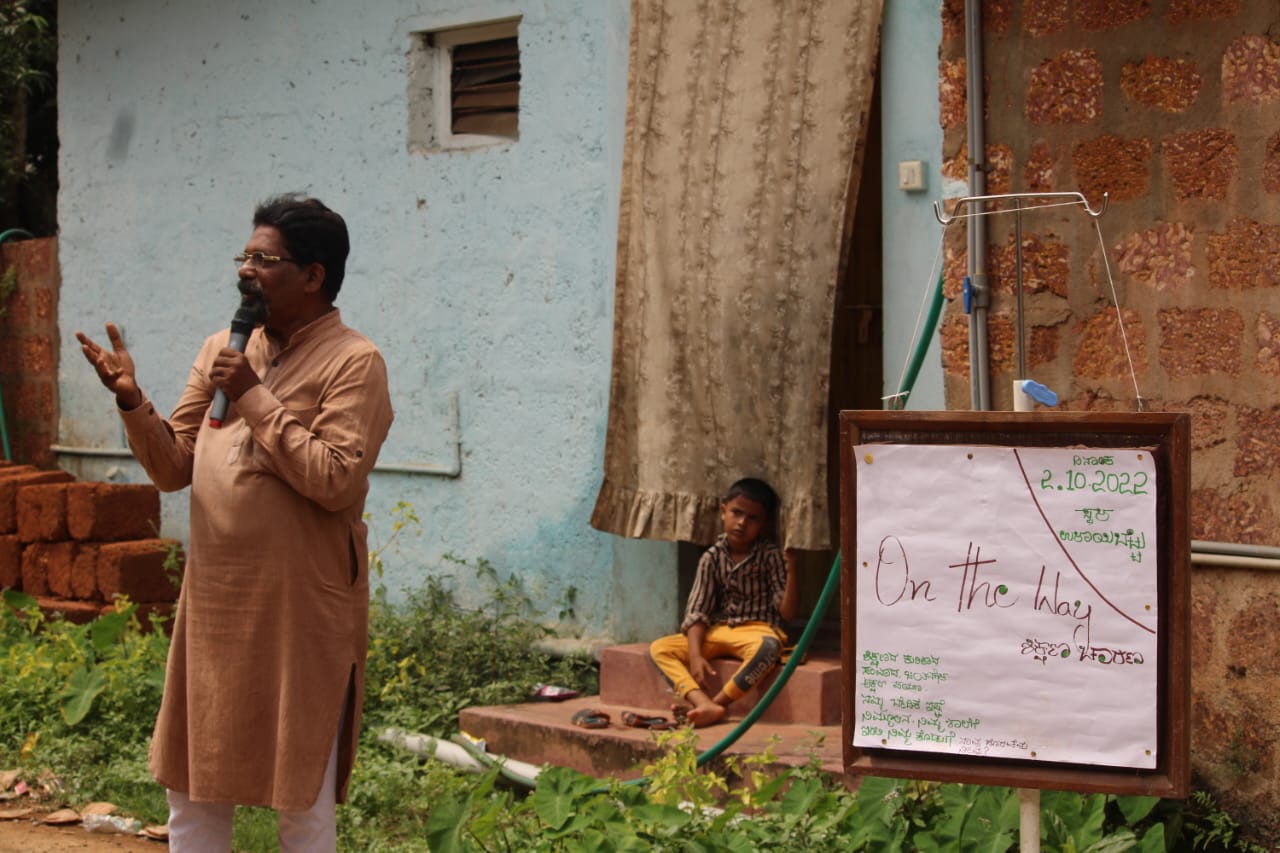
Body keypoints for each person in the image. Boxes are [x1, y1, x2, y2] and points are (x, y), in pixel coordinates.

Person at [76, 194, 394, 852]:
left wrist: (252, 394)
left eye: (265, 260)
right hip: (216, 601)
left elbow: (336, 478)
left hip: (299, 609)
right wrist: (132, 401)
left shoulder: (354, 361)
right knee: (192, 788)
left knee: (301, 796)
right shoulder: (223, 347)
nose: (247, 271)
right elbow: (175, 465)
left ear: (313, 275)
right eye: (244, 257)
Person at [649, 477, 799, 727]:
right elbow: (697, 611)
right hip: (720, 630)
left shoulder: (770, 555)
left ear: (764, 524)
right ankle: (700, 702)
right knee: (660, 648)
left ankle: (717, 704)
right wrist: (695, 656)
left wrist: (793, 572)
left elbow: (788, 614)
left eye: (753, 518)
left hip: (758, 631)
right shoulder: (711, 558)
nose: (742, 523)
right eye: (736, 513)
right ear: (723, 511)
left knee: (768, 649)